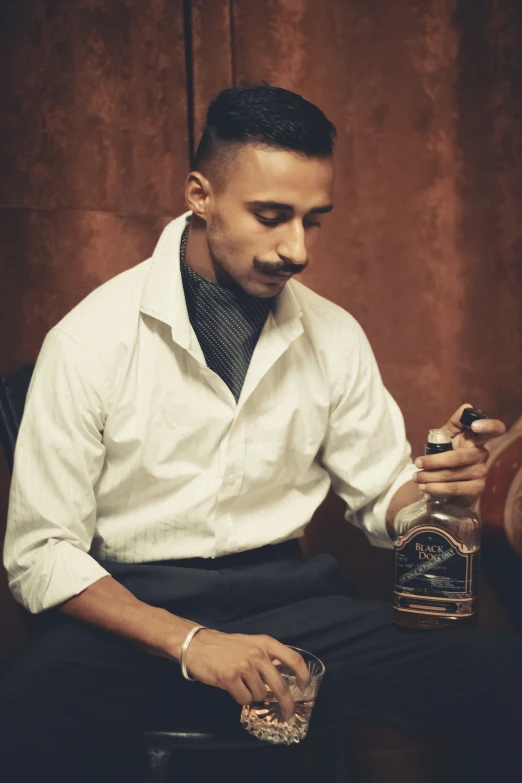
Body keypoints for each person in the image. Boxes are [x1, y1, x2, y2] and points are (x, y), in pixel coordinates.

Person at [1, 85, 520, 783]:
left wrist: (439, 488)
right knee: (29, 703)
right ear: (200, 194)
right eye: (271, 216)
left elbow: (381, 494)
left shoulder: (333, 334)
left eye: (313, 220)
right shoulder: (89, 339)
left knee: (501, 671)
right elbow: (40, 552)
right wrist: (193, 643)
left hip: (293, 610)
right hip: (134, 618)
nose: (297, 249)